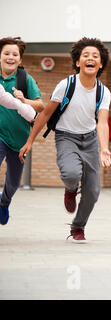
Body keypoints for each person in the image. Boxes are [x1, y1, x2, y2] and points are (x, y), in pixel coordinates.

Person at [19, 37, 111, 243]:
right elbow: (44, 114)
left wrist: (104, 148)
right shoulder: (66, 85)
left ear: (101, 64)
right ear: (78, 62)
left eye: (95, 56)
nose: (90, 58)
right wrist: (30, 141)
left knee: (94, 192)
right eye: (85, 55)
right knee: (71, 174)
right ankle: (71, 190)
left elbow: (102, 122)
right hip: (66, 136)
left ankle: (78, 226)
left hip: (89, 140)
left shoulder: (103, 92)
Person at [0, 37, 44, 225]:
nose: (10, 57)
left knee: (13, 182)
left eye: (15, 54)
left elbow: (40, 106)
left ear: (20, 59)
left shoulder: (25, 79)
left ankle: (4, 202)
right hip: (0, 135)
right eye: (6, 53)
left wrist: (24, 100)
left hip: (19, 140)